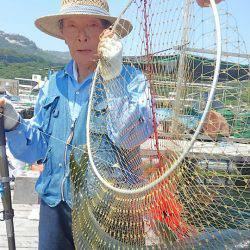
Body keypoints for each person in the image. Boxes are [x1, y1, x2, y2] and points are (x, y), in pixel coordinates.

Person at [0, 0, 229, 249]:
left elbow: (128, 137)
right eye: (73, 26)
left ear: (107, 32)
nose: (82, 36)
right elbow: (36, 150)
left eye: (92, 25)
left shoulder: (133, 80)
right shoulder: (53, 84)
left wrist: (113, 77)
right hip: (54, 207)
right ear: (62, 34)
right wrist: (15, 125)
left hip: (111, 212)